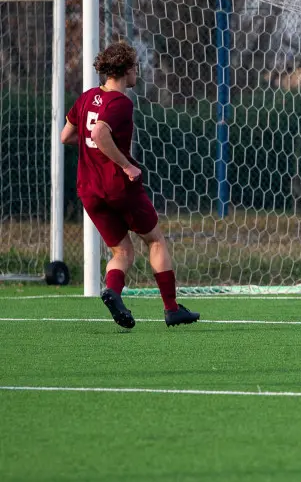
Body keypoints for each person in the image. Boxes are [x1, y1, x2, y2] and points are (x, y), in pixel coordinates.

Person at [62, 41, 199, 329]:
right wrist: (126, 165)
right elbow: (100, 132)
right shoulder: (121, 103)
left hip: (88, 189)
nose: (138, 71)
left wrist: (94, 149)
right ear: (125, 70)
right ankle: (172, 309)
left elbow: (67, 136)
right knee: (156, 240)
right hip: (118, 186)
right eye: (135, 67)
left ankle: (112, 291)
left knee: (122, 251)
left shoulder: (86, 98)